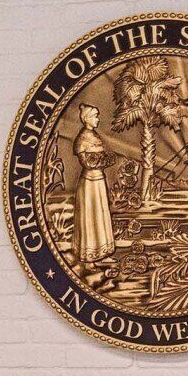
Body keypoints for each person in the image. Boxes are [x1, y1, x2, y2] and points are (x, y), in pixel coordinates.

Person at [72, 103, 116, 270]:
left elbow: (100, 158)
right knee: (90, 217)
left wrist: (104, 160)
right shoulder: (82, 139)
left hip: (99, 180)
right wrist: (103, 160)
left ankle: (102, 255)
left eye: (97, 116)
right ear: (86, 119)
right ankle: (89, 258)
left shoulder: (95, 136)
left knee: (100, 216)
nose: (98, 119)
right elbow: (88, 162)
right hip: (89, 182)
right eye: (95, 116)